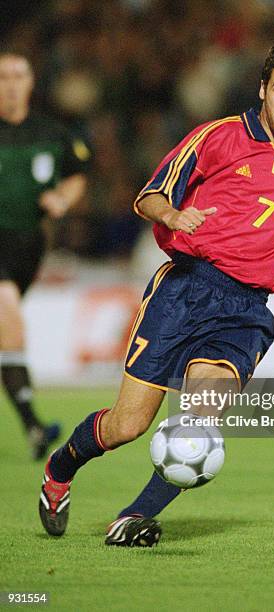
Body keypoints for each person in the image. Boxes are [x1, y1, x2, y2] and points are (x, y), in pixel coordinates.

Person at [39, 41, 274, 546]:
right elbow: (149, 195)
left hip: (245, 310)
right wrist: (172, 215)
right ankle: (60, 468)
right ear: (262, 90)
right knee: (127, 426)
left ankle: (133, 517)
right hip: (186, 290)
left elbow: (262, 227)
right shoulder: (218, 137)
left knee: (200, 420)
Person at [0, 53, 90, 459]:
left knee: (6, 332)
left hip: (28, 247)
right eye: (3, 77)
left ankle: (33, 426)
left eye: (19, 75)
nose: (11, 83)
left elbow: (76, 175)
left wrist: (62, 199)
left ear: (32, 82)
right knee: (8, 319)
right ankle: (35, 425)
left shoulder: (51, 133)